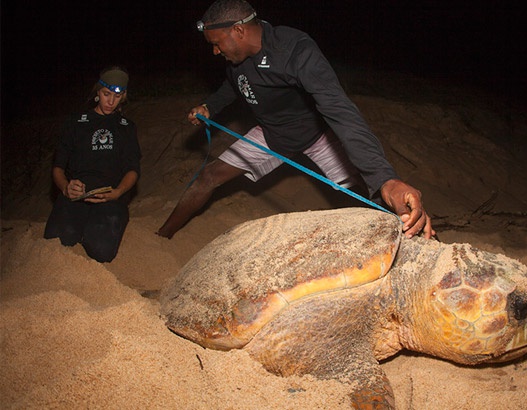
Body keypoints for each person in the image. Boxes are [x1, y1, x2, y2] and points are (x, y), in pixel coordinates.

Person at [157, 0, 434, 239]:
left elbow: (340, 111)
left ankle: (424, 237)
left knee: (371, 194)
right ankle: (161, 236)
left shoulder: (294, 49)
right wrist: (209, 106)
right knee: (208, 176)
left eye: (216, 44)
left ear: (239, 31)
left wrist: (386, 178)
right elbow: (234, 85)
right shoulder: (237, 60)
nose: (215, 51)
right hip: (270, 135)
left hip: (316, 137)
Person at [44, 66, 142, 263]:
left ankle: (95, 229)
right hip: (75, 195)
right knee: (54, 244)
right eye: (106, 94)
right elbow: (58, 167)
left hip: (110, 197)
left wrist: (119, 192)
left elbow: (133, 169)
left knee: (102, 252)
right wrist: (65, 187)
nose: (111, 102)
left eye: (117, 96)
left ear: (123, 96)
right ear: (98, 91)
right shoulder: (76, 123)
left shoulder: (126, 128)